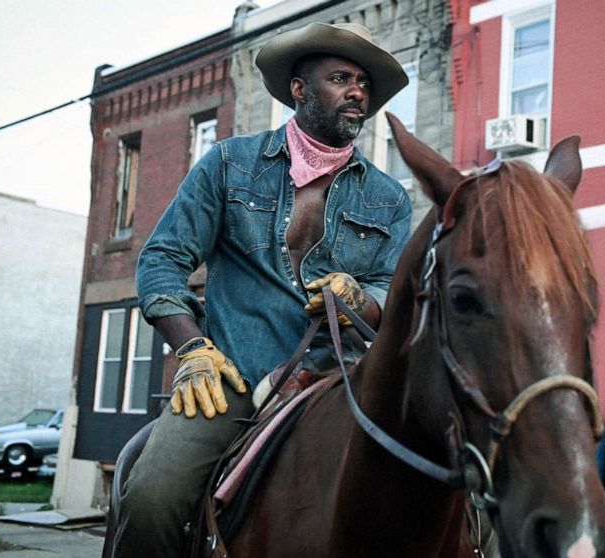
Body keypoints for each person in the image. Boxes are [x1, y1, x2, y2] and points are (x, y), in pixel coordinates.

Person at [110, 22, 411, 557]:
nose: (357, 92)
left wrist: (359, 299)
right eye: (340, 77)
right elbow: (162, 259)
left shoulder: (391, 198)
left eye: (364, 83)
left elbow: (392, 291)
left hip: (340, 384)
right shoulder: (229, 164)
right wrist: (192, 349)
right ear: (299, 89)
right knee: (153, 499)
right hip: (230, 378)